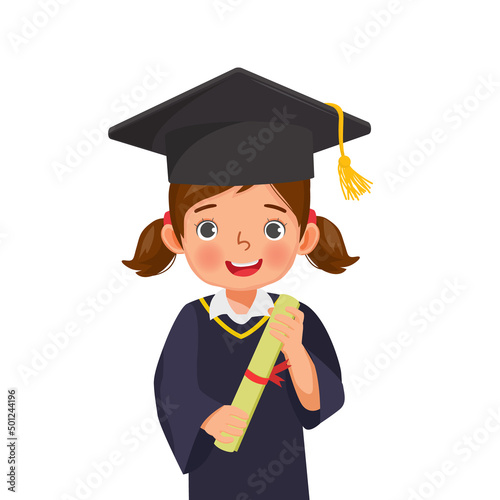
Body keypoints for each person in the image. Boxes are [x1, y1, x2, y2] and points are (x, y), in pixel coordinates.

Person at [109, 67, 371, 499]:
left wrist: (296, 352)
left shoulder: (296, 318)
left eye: (272, 228)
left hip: (285, 477)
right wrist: (207, 418)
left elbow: (319, 403)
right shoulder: (194, 320)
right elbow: (172, 390)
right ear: (176, 238)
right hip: (216, 476)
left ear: (306, 236)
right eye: (209, 229)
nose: (244, 245)